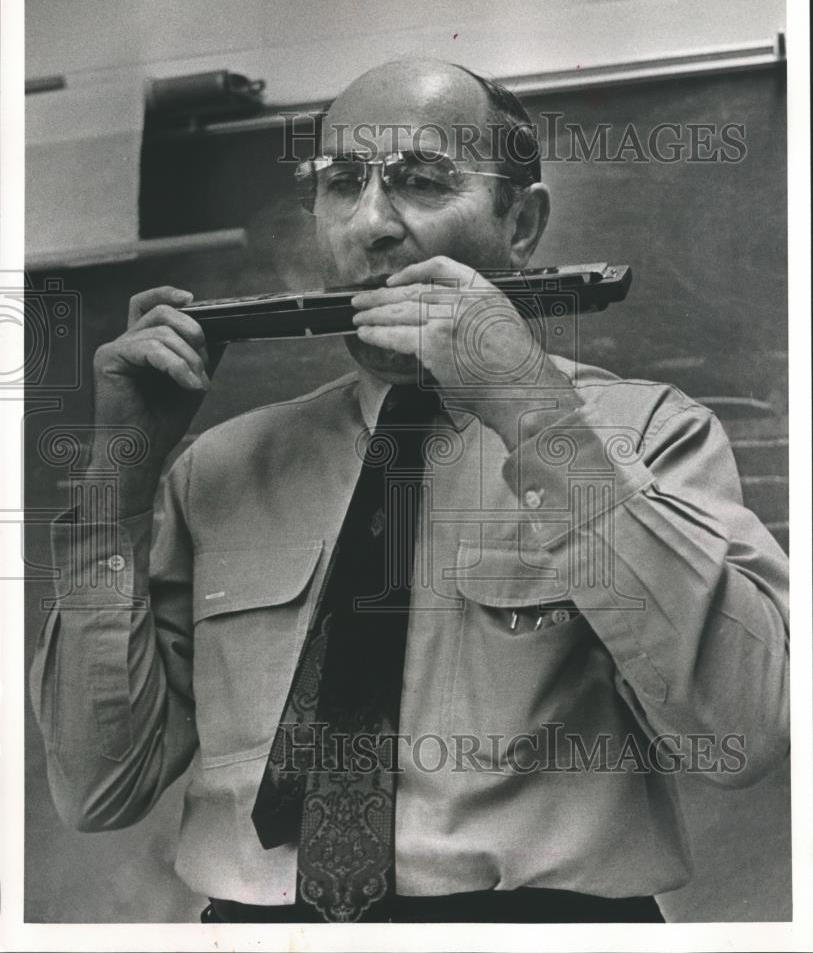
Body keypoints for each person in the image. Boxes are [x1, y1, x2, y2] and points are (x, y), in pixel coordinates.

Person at [30, 59, 789, 925]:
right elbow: (97, 788)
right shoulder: (218, 468)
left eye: (422, 183)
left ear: (522, 223)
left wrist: (535, 413)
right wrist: (116, 478)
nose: (371, 226)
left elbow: (740, 733)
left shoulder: (651, 433)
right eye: (339, 184)